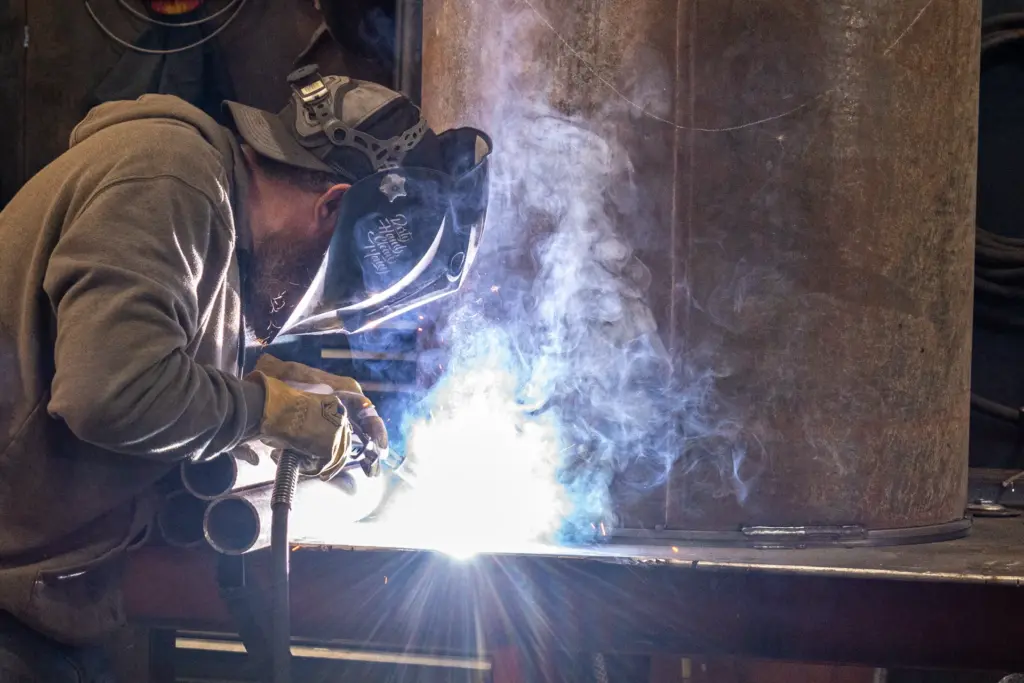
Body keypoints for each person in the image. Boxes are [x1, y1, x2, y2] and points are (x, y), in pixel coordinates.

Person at [0, 65, 491, 679]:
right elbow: (110, 392)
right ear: (331, 206)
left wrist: (279, 380)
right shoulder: (169, 178)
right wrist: (268, 409)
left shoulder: (220, 226)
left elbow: (150, 351)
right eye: (332, 290)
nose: (314, 315)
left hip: (49, 592)